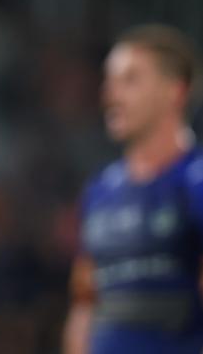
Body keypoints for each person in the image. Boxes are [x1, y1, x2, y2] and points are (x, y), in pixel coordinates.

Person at [63, 24, 203, 354]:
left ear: (175, 92)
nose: (110, 94)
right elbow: (85, 304)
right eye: (109, 81)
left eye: (130, 80)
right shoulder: (100, 190)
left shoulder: (194, 182)